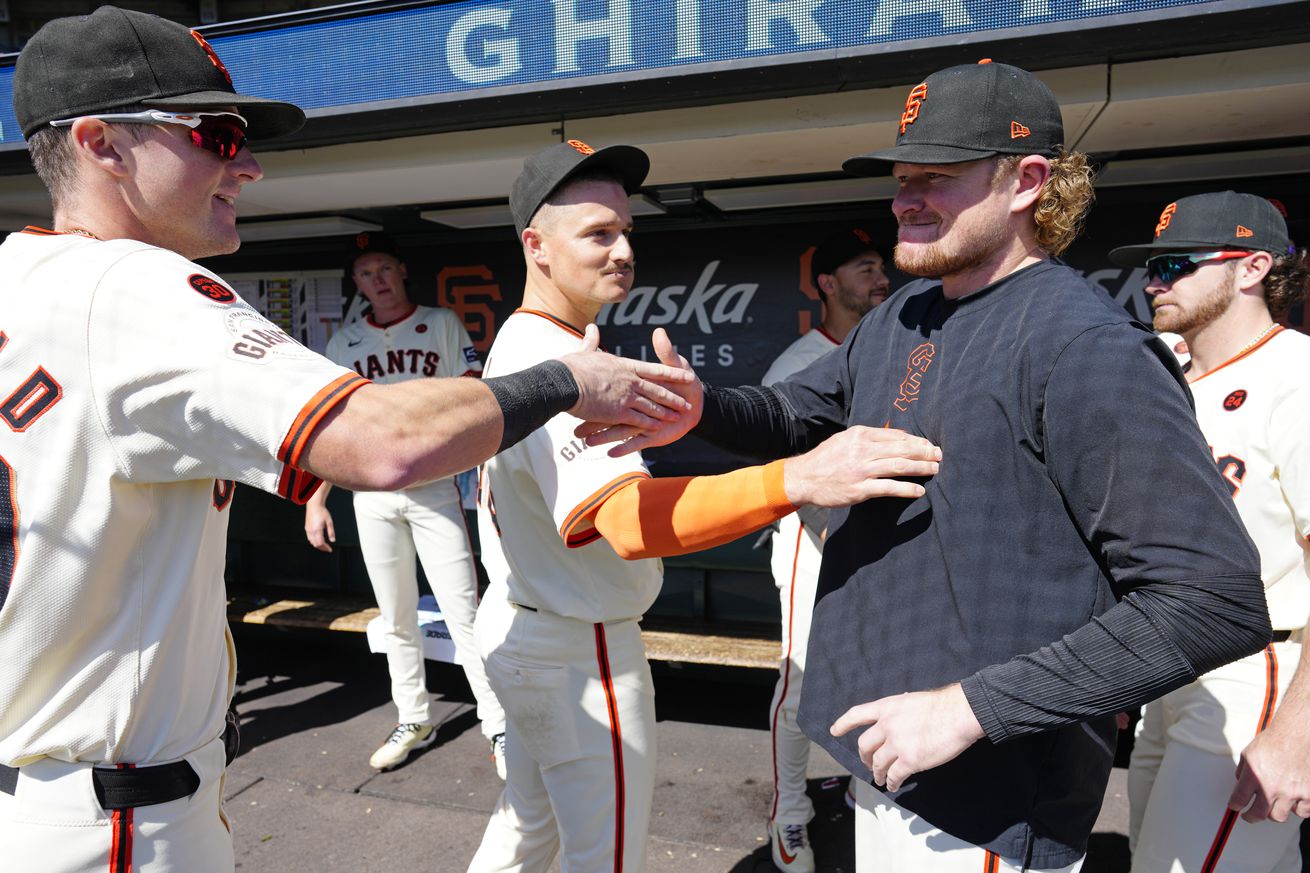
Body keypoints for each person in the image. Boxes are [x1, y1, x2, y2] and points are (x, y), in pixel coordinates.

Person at [0, 9, 696, 873]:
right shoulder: (134, 285)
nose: (246, 162)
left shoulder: (16, 276)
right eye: (215, 134)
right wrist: (569, 381)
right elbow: (382, 442)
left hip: (41, 791)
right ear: (101, 144)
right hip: (118, 815)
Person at [586, 60, 1273, 873]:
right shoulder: (909, 307)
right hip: (888, 752)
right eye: (901, 176)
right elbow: (804, 412)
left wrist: (970, 709)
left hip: (988, 791)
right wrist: (704, 407)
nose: (903, 199)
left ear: (1025, 182)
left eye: (936, 177)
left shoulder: (1087, 348)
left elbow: (1212, 601)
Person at [466, 140, 941, 873]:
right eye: (598, 233)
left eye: (627, 231)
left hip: (530, 624)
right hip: (576, 644)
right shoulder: (551, 359)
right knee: (602, 858)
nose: (623, 250)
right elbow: (625, 521)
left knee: (527, 832)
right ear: (536, 245)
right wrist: (795, 479)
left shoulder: (534, 339)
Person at [1108, 191, 1309, 872]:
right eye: (1151, 266)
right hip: (1166, 665)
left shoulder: (1297, 378)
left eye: (1174, 263)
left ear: (1252, 267)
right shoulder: (1164, 375)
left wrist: (1296, 734)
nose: (1154, 281)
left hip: (1258, 670)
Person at [304, 232, 507, 773]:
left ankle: (498, 722)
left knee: (463, 611)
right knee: (394, 616)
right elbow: (328, 428)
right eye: (367, 273)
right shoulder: (345, 341)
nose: (378, 280)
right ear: (357, 283)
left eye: (385, 269)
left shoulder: (439, 323)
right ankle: (413, 716)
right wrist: (315, 500)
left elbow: (473, 396)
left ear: (401, 271)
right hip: (371, 498)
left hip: (432, 490)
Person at [762, 227, 891, 873]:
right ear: (828, 284)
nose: (879, 276)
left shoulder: (899, 351)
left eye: (879, 266)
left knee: (870, 676)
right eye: (863, 267)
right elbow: (784, 476)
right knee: (802, 682)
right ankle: (789, 812)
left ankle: (853, 781)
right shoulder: (798, 362)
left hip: (877, 545)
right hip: (812, 541)